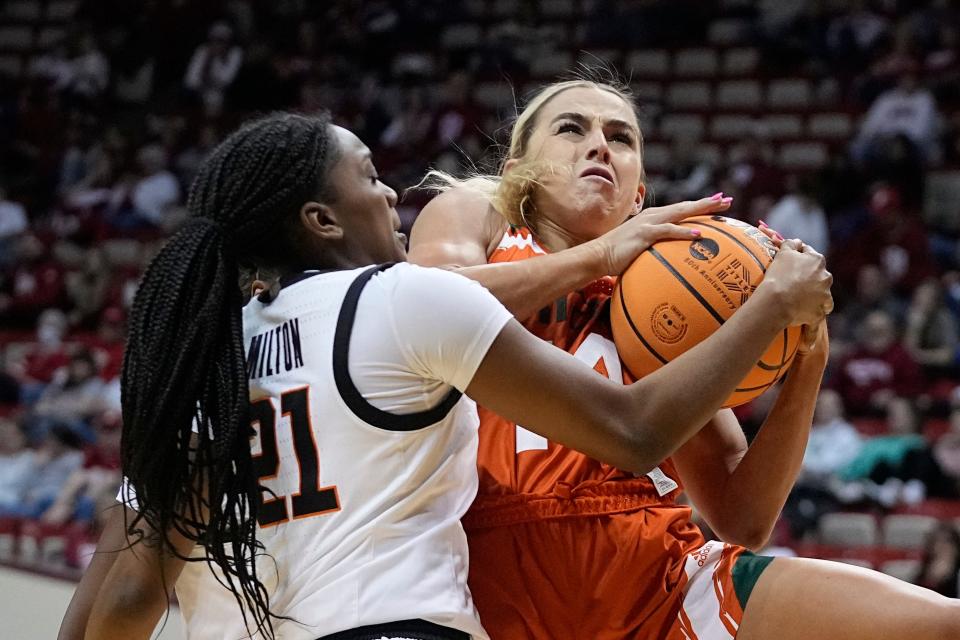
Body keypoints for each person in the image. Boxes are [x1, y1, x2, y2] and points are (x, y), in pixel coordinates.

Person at [59, 112, 825, 640]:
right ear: (321, 220)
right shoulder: (401, 299)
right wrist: (769, 309)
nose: (393, 192)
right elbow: (635, 431)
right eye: (367, 176)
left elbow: (123, 599)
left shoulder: (197, 361)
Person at [407, 76, 960, 639]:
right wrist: (598, 256)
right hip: (488, 575)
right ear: (519, 166)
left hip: (660, 580)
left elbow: (742, 516)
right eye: (571, 128)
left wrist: (807, 360)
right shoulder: (479, 212)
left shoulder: (662, 305)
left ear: (639, 196)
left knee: (942, 624)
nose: (599, 144)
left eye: (621, 138)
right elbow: (419, 308)